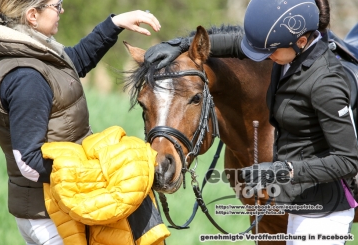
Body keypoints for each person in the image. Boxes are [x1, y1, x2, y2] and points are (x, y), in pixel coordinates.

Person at [144, 0, 358, 244]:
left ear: (301, 41)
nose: (265, 57)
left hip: (323, 214)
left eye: (272, 51)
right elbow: (240, 45)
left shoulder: (325, 82)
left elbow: (348, 160)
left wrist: (283, 170)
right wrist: (180, 44)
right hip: (299, 205)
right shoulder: (289, 56)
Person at [0, 0, 162, 244]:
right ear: (32, 15)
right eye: (56, 5)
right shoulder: (27, 76)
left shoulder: (28, 52)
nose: (61, 10)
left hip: (54, 206)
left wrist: (115, 24)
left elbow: (72, 63)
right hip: (50, 215)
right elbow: (27, 161)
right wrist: (99, 174)